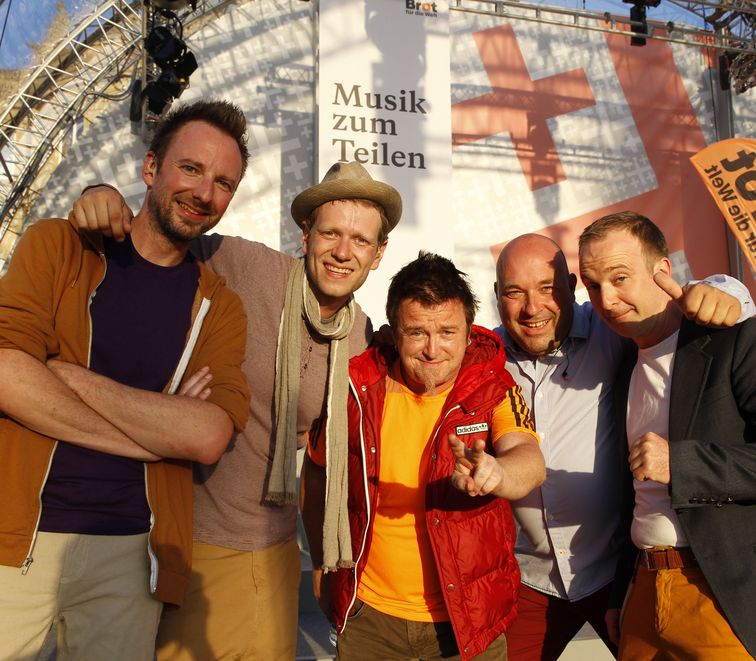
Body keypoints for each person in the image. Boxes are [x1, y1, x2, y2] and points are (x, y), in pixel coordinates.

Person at [70, 160, 402, 660]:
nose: (342, 252)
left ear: (378, 255)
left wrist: (323, 557)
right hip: (193, 537)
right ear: (305, 234)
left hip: (274, 550)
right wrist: (105, 197)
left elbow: (320, 456)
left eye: (360, 241)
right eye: (330, 233)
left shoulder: (359, 334)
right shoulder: (246, 266)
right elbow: (158, 239)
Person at [0, 100, 251, 661]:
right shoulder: (60, 246)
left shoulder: (218, 306)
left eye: (223, 182)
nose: (204, 193)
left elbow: (208, 435)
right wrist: (152, 436)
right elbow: (6, 371)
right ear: (150, 168)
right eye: (190, 168)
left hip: (135, 555)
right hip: (16, 536)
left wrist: (62, 373)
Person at [492, 233, 753, 660]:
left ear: (571, 287)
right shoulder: (481, 355)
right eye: (514, 292)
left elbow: (671, 314)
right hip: (531, 579)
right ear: (496, 295)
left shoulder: (613, 330)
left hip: (614, 571)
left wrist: (728, 291)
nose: (532, 308)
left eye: (547, 289)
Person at [301, 252, 547, 661]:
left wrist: (496, 473)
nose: (433, 349)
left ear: (469, 333)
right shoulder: (355, 389)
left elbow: (529, 460)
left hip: (469, 620)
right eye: (417, 333)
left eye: (448, 332)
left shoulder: (494, 388)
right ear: (394, 333)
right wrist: (322, 562)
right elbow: (317, 472)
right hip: (370, 619)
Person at [578, 211, 756, 660]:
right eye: (594, 285)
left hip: (722, 595)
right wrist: (624, 594)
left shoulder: (730, 340)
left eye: (620, 277)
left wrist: (682, 464)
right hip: (643, 592)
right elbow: (633, 497)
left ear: (662, 272)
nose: (608, 299)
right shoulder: (621, 367)